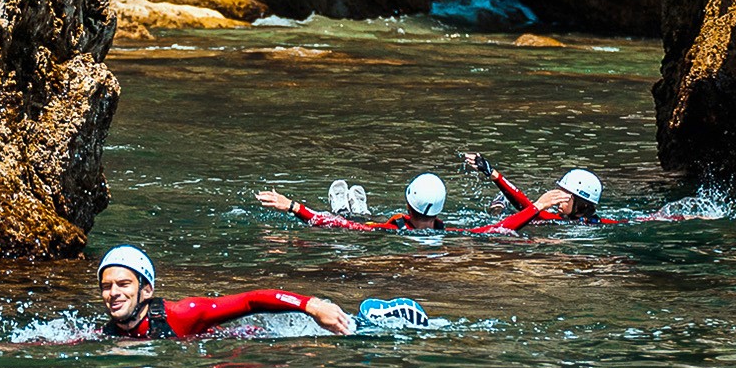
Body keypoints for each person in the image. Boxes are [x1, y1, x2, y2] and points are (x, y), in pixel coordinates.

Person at [97, 245, 354, 338]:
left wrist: (313, 306)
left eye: (123, 284)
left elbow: (251, 301)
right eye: (107, 287)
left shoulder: (183, 314)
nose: (113, 293)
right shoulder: (105, 334)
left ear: (146, 290)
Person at [461, 152, 614, 232]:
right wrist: (494, 174)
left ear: (583, 204)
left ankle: (497, 207)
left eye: (564, 196)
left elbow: (531, 210)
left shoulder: (597, 224)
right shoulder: (560, 219)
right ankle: (498, 208)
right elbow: (528, 208)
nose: (557, 199)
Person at [256, 173, 449, 232]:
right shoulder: (450, 232)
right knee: (366, 223)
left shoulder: (393, 229)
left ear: (408, 204)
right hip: (380, 229)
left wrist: (293, 206)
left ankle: (343, 210)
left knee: (350, 223)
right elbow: (474, 232)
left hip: (369, 230)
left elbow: (339, 224)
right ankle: (361, 211)